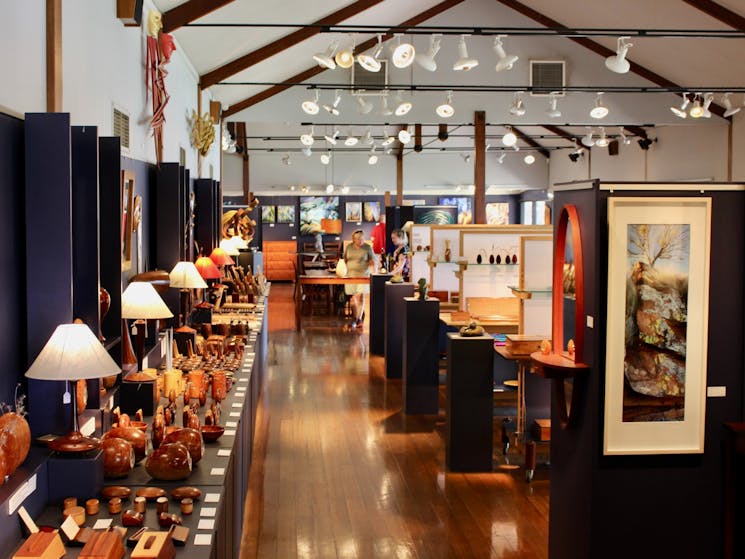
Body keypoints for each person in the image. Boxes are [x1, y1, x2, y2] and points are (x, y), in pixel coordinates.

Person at [343, 230, 375, 328]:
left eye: (362, 238)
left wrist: (374, 272)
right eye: (358, 239)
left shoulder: (367, 247)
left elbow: (372, 261)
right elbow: (345, 259)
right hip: (351, 276)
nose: (361, 241)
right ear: (353, 239)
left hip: (363, 276)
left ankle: (357, 319)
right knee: (353, 299)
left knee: (360, 297)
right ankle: (356, 317)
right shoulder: (349, 247)